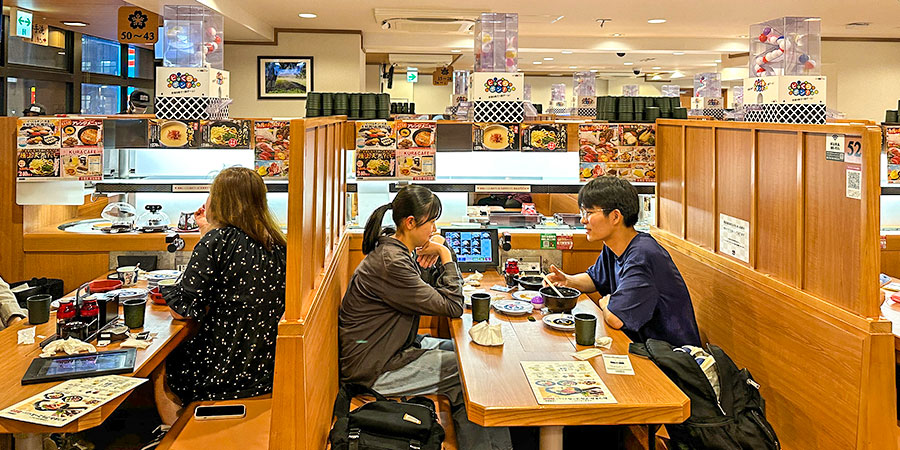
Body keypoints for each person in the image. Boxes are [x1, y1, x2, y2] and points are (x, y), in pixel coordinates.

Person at [339, 185, 512, 450]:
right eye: (431, 221)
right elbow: (453, 305)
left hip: (391, 349)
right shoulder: (392, 262)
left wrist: (430, 264)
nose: (434, 228)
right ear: (410, 223)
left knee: (471, 354)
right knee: (472, 373)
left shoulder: (396, 250)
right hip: (374, 368)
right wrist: (445, 254)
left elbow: (427, 294)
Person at [152, 167, 287, 426]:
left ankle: (176, 435)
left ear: (217, 200)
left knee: (159, 361)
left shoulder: (219, 240)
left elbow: (183, 309)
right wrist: (208, 233)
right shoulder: (278, 243)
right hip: (265, 362)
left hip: (224, 366)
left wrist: (209, 235)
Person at [547, 176, 701, 347]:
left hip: (671, 360)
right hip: (643, 347)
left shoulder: (643, 254)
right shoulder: (614, 246)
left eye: (589, 213)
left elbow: (616, 319)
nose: (583, 220)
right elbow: (595, 279)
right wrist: (568, 281)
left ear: (615, 217)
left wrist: (605, 304)